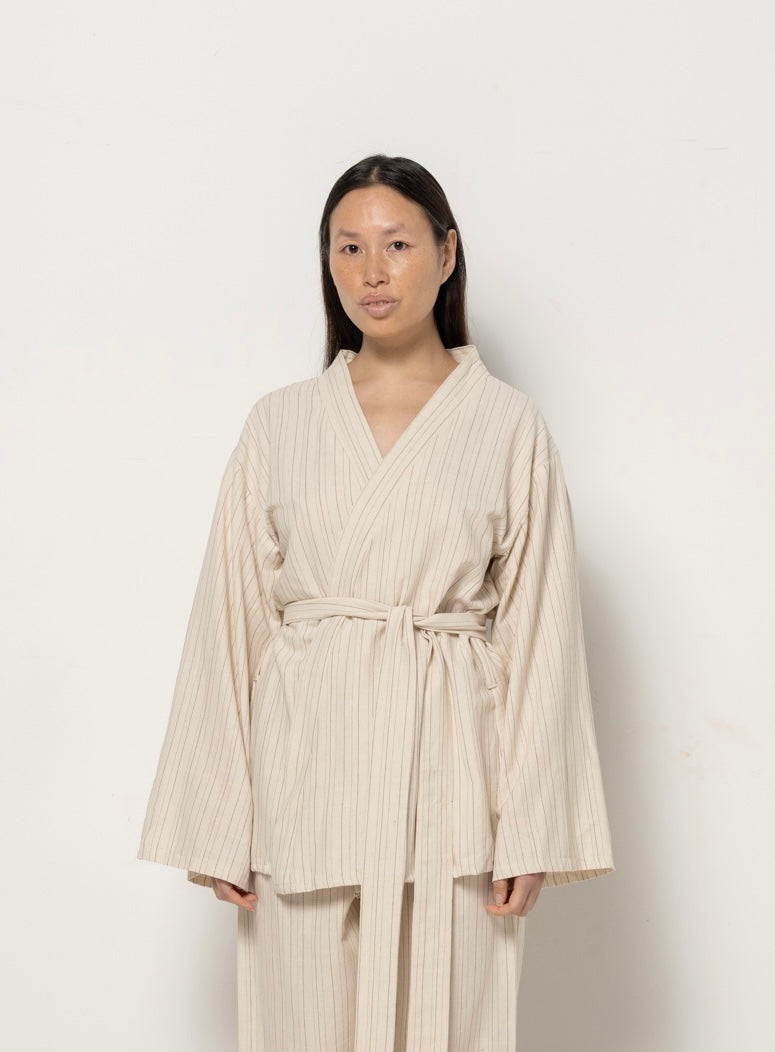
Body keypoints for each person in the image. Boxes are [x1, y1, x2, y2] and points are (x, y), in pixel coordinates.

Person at [138, 153, 615, 1052]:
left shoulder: (507, 425)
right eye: (347, 247)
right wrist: (217, 819)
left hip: (452, 783)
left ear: (446, 253)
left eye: (396, 244)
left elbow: (541, 631)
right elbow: (229, 622)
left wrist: (532, 825)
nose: (371, 271)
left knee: (450, 1022)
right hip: (307, 775)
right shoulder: (279, 423)